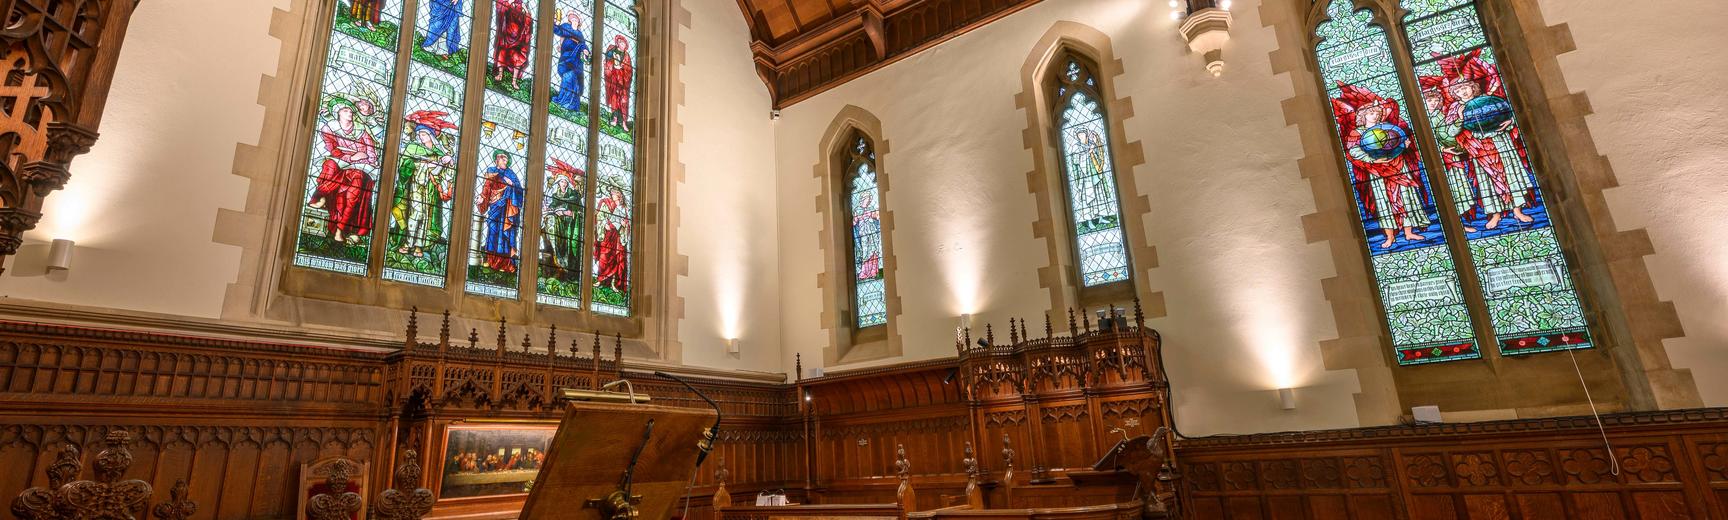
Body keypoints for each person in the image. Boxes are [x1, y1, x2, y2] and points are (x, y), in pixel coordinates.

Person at [1431, 49, 1535, 231]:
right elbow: (1449, 131)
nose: (1462, 91)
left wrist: (1510, 123)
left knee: (1510, 174)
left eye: (1465, 87)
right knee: (1487, 179)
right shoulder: (1456, 108)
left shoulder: (1488, 100)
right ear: (1454, 93)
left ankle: (1517, 210)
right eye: (1458, 89)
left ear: (1473, 87)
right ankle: (1495, 214)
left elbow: (1506, 116)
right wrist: (1460, 118)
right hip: (1477, 146)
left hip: (1500, 141)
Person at [1333, 82, 1430, 250]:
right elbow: (1353, 152)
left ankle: (1409, 231)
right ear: (1363, 115)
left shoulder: (1390, 128)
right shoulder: (1357, 133)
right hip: (1377, 171)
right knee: (1384, 203)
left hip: (1399, 165)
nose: (1375, 116)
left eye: (1377, 113)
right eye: (1371, 113)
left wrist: (1405, 145)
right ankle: (1390, 236)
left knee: (1406, 199)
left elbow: (1400, 142)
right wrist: (1373, 160)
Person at [308, 97, 379, 245]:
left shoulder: (362, 129)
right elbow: (331, 149)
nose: (350, 113)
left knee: (355, 186)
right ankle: (321, 198)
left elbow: (371, 152)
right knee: (329, 165)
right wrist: (351, 157)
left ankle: (341, 229)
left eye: (351, 111)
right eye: (346, 110)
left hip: (361, 167)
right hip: (343, 161)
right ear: (338, 112)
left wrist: (366, 159)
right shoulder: (330, 128)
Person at [392, 111, 457, 258]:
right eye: (419, 134)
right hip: (415, 185)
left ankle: (419, 246)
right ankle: (408, 243)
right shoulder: (413, 148)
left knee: (426, 217)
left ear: (431, 136)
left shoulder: (438, 152)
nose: (421, 137)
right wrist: (425, 164)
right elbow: (405, 164)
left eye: (424, 134)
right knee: (416, 214)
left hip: (430, 188)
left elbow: (443, 173)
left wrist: (444, 162)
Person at [476, 151, 525, 273]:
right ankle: (490, 260)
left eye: (507, 159)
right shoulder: (491, 171)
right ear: (497, 159)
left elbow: (519, 190)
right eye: (503, 159)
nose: (505, 161)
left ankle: (505, 264)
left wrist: (512, 184)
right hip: (494, 206)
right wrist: (482, 197)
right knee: (492, 231)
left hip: (507, 208)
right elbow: (487, 188)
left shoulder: (511, 174)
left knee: (505, 234)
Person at [541, 158, 585, 273]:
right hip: (560, 222)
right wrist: (550, 209)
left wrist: (567, 212)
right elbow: (554, 205)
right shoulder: (556, 194)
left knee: (571, 245)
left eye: (565, 181)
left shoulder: (574, 194)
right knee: (549, 223)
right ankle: (558, 262)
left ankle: (570, 270)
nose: (563, 183)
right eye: (561, 181)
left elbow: (578, 208)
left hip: (572, 223)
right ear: (558, 183)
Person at [551, 10, 590, 112]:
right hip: (566, 57)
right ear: (569, 19)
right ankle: (563, 100)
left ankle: (572, 105)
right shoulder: (566, 27)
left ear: (579, 21)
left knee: (574, 79)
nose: (574, 19)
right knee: (567, 77)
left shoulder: (580, 34)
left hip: (576, 60)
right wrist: (555, 23)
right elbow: (558, 30)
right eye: (572, 18)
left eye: (576, 18)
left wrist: (586, 51)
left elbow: (583, 45)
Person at [492, 0, 534, 90]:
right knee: (502, 53)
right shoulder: (508, 4)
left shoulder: (522, 7)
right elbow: (501, 10)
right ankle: (500, 74)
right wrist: (509, 3)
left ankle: (514, 81)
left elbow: (528, 23)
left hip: (519, 39)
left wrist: (526, 11)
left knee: (518, 58)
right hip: (506, 35)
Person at [594, 188, 629, 293]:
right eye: (611, 193)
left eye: (614, 194)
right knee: (604, 257)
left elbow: (626, 222)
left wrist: (625, 225)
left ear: (619, 195)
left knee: (616, 260)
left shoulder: (624, 208)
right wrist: (604, 223)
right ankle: (600, 280)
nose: (611, 195)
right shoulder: (606, 203)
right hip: (607, 235)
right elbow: (600, 216)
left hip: (617, 236)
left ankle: (613, 284)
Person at [603, 35, 634, 129]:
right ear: (617, 43)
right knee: (614, 98)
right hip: (614, 79)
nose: (622, 44)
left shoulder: (626, 56)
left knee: (624, 100)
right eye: (620, 42)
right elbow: (607, 61)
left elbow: (629, 70)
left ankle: (623, 121)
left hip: (623, 82)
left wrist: (622, 68)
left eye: (624, 43)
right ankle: (615, 118)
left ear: (626, 45)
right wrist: (612, 65)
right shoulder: (612, 50)